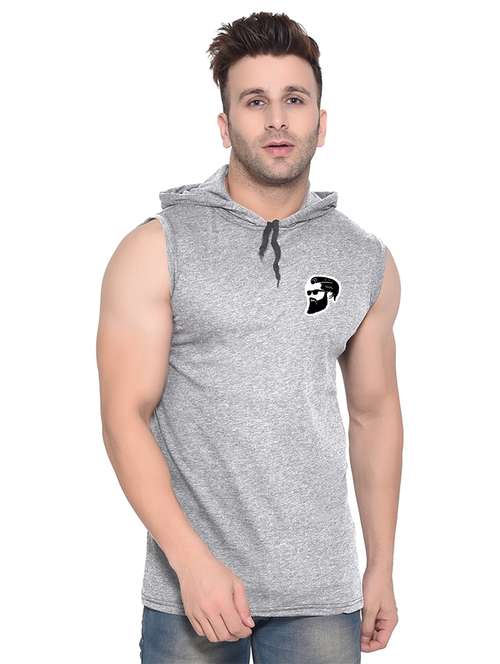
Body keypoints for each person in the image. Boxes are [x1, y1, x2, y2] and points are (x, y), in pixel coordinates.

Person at [96, 11, 403, 664]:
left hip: (322, 595)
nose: (277, 120)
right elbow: (124, 416)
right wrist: (190, 562)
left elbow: (374, 415)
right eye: (255, 101)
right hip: (191, 594)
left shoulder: (364, 259)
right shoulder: (157, 248)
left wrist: (380, 565)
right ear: (224, 123)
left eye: (295, 99)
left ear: (321, 120)